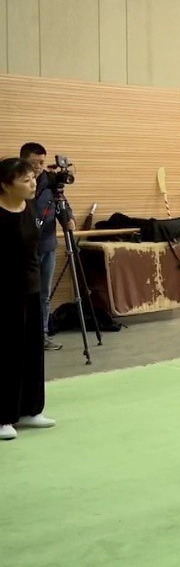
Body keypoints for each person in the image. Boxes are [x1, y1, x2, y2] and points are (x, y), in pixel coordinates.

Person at [0, 158, 56, 441]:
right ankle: (3, 416)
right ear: (5, 185)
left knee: (32, 349)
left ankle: (30, 410)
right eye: (25, 180)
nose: (33, 183)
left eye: (33, 178)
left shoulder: (31, 207)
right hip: (4, 292)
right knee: (7, 353)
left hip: (30, 287)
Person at [19, 143, 75, 351]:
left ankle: (41, 336)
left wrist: (68, 219)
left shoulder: (50, 181)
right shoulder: (19, 183)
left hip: (48, 245)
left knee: (43, 294)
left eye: (42, 162)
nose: (39, 167)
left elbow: (61, 204)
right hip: (25, 248)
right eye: (34, 163)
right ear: (23, 160)